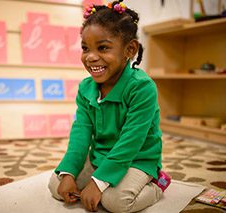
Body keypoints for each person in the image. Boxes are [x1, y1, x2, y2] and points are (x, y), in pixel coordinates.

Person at [48, 0, 164, 212]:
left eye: (102, 48)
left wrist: (98, 182)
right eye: (85, 48)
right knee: (56, 186)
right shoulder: (86, 88)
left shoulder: (142, 88)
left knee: (115, 202)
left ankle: (158, 186)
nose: (91, 57)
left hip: (136, 160)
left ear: (130, 49)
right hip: (99, 158)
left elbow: (131, 143)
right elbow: (81, 133)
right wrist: (69, 173)